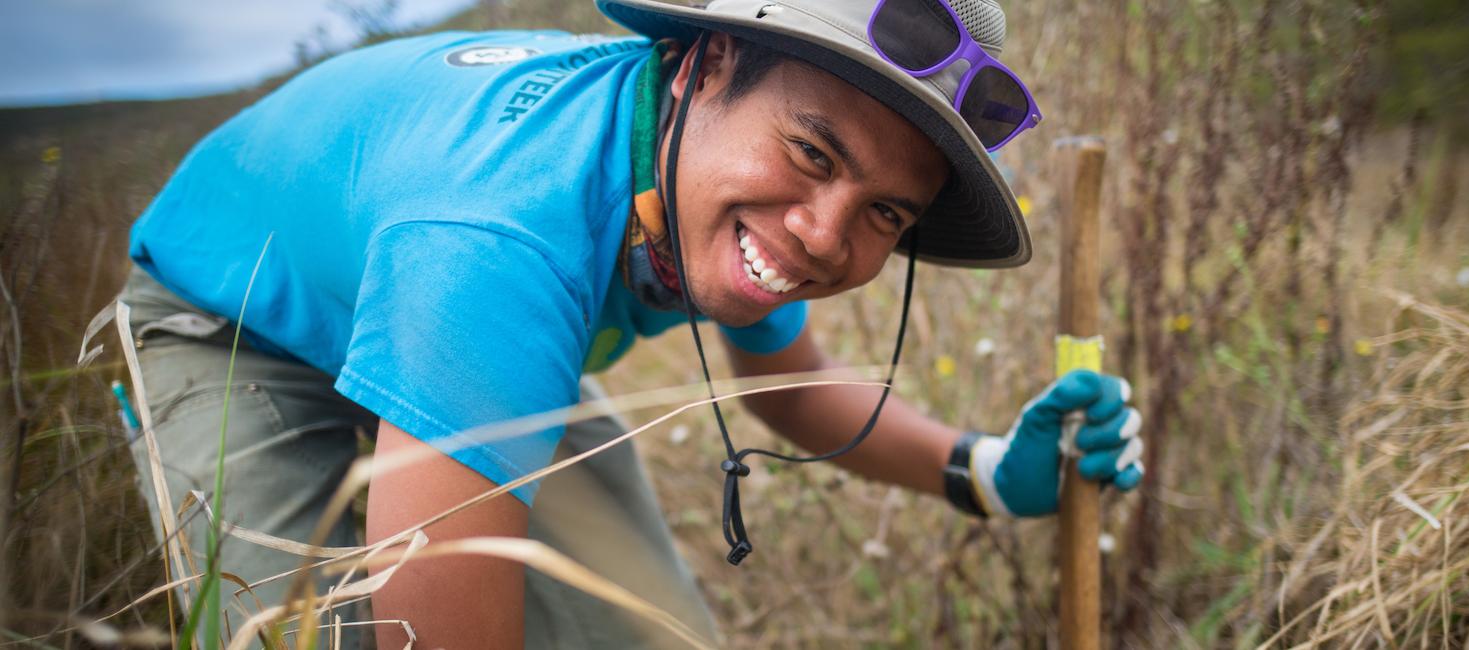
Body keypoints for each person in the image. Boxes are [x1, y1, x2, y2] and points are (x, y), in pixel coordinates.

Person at [114, 0, 1146, 647]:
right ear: (700, 67)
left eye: (885, 213)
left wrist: (985, 463)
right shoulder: (499, 240)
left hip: (462, 332)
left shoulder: (694, 166)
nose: (826, 238)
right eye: (813, 155)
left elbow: (790, 392)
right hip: (238, 330)